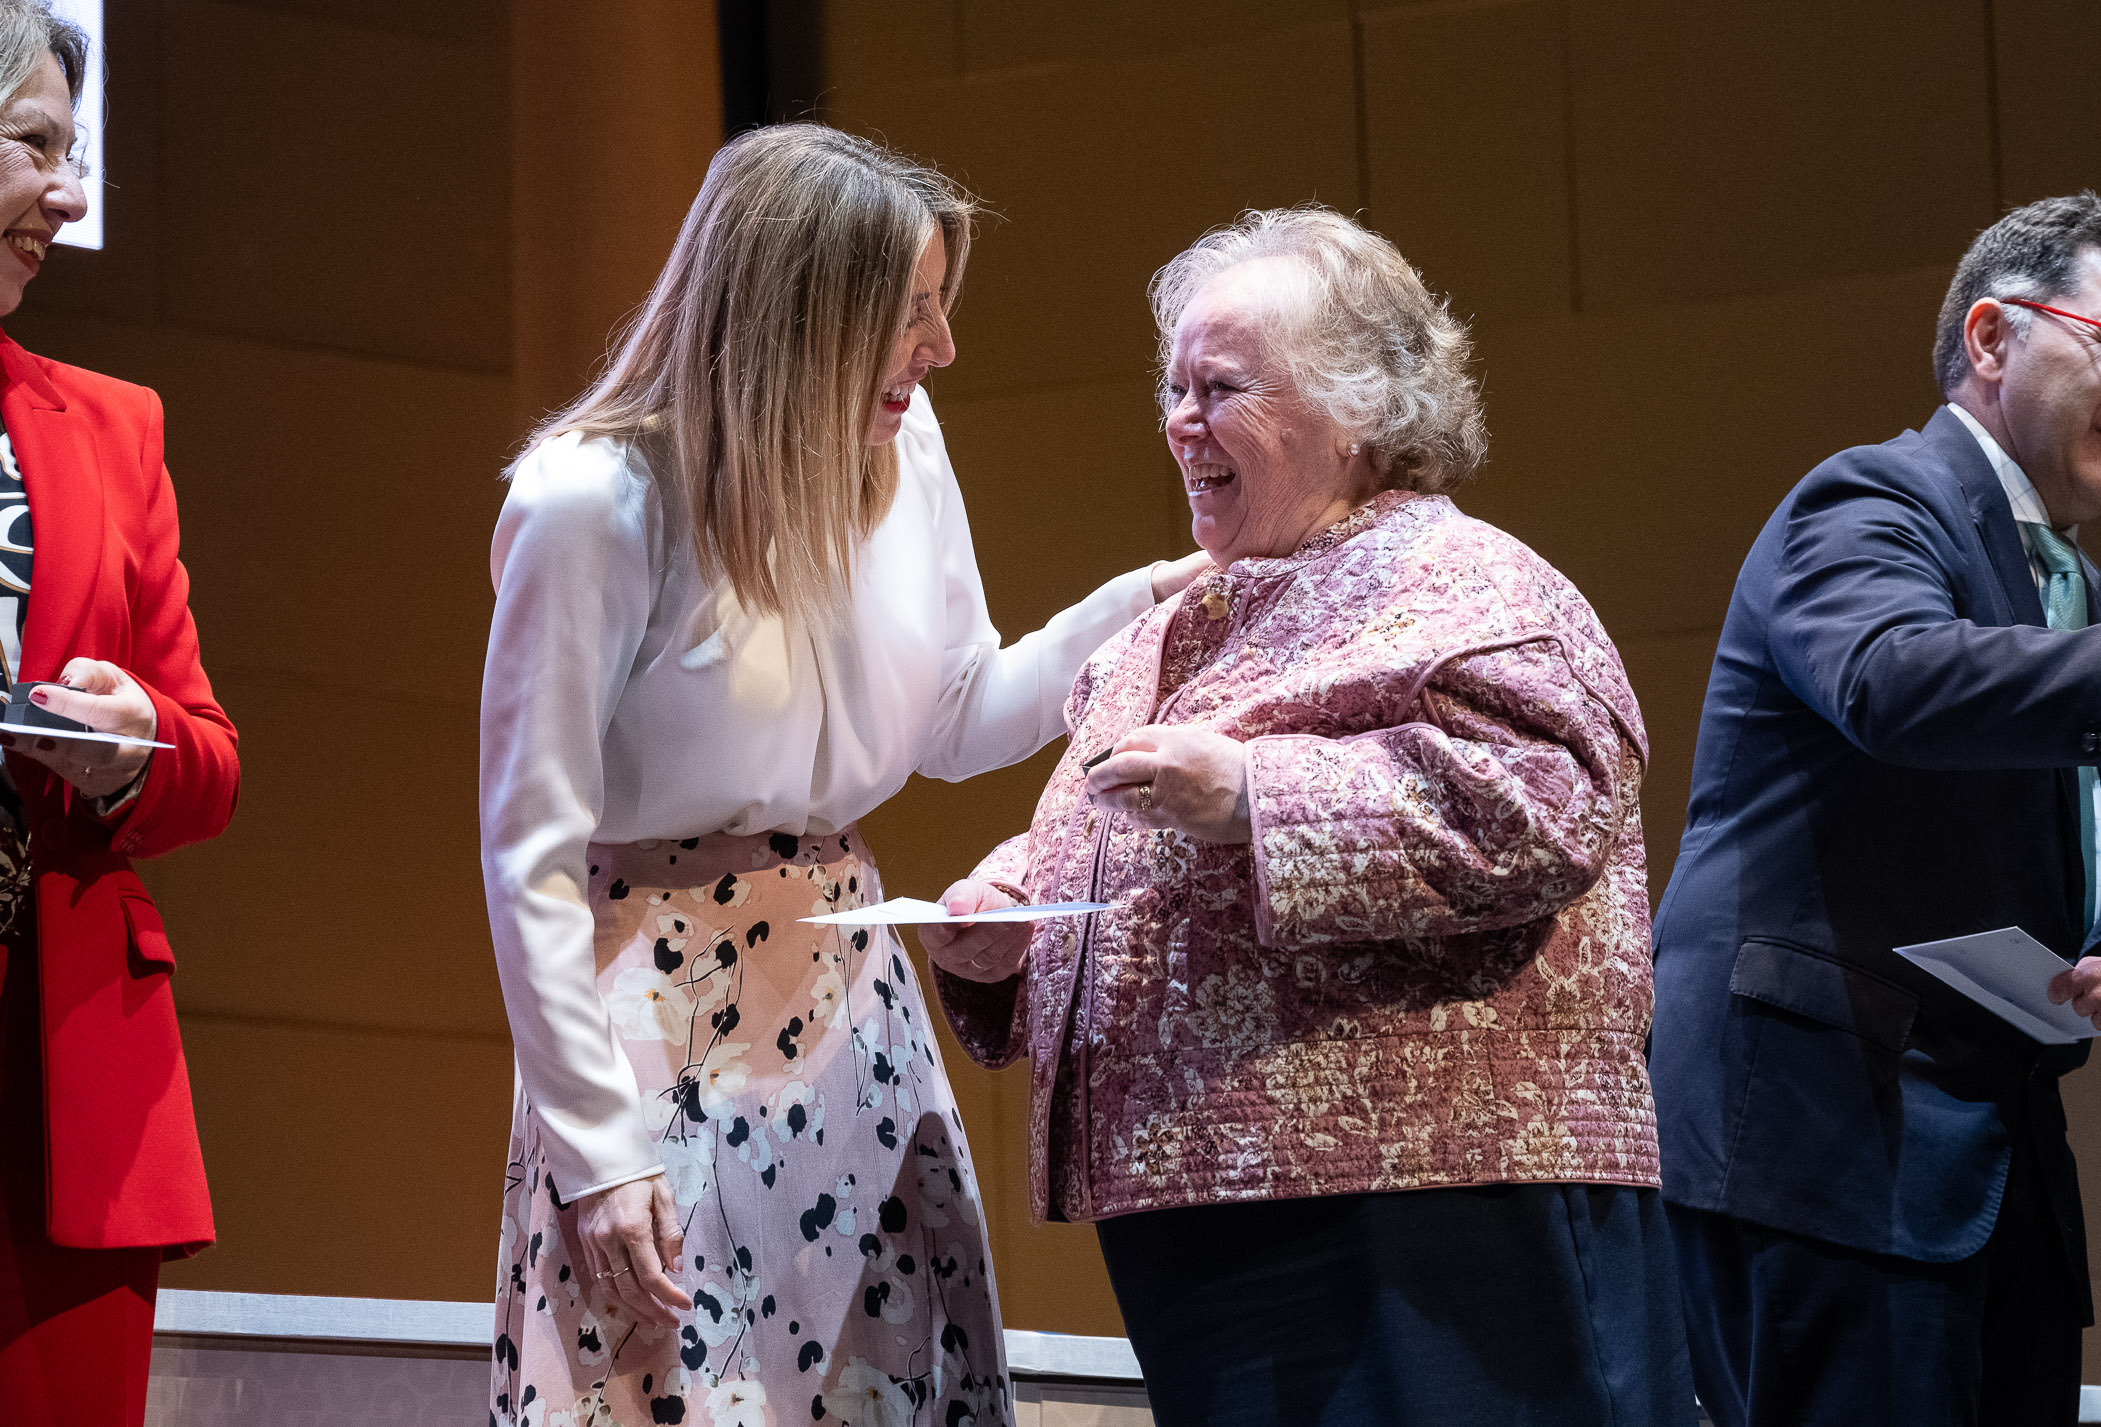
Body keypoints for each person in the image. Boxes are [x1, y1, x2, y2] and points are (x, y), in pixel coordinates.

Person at [480, 123, 1204, 1427]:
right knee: (678, 1392)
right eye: (912, 312)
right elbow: (529, 850)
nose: (941, 350)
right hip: (663, 1016)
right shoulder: (592, 502)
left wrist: (1149, 608)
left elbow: (958, 710)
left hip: (848, 1000)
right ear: (802, 310)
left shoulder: (902, 450)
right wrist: (595, 1152)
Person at [923, 207, 1690, 1427]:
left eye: (1220, 386)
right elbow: (1129, 825)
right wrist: (1016, 912)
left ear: (1357, 410)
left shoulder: (1471, 583)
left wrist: (1256, 794)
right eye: (1172, 386)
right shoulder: (1179, 620)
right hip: (1215, 1216)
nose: (1180, 420)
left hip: (1429, 1210)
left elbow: (1549, 803)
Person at [1651, 192, 2101, 1426]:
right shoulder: (1863, 500)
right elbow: (1890, 677)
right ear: (1995, 337)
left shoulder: (2075, 584)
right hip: (1824, 1146)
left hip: (1992, 1156)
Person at [0, 4, 242, 1423]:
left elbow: (207, 760)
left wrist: (125, 738)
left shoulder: (113, 427)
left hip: (58, 1076)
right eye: (36, 145)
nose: (71, 192)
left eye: (73, 150)